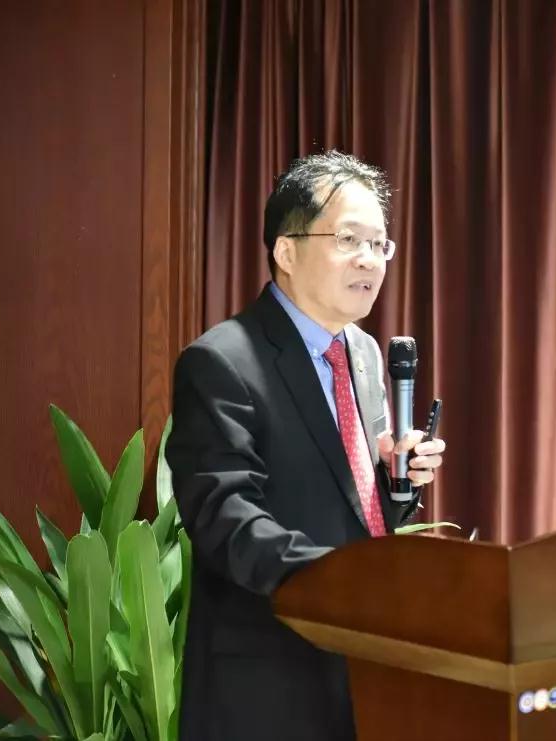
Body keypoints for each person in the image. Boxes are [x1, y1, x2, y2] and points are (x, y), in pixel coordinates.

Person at [166, 150, 445, 740]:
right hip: (269, 682)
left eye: (380, 244)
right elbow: (224, 519)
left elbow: (352, 509)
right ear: (286, 251)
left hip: (361, 668)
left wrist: (396, 482)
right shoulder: (222, 362)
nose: (369, 259)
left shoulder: (363, 354)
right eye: (349, 240)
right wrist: (343, 581)